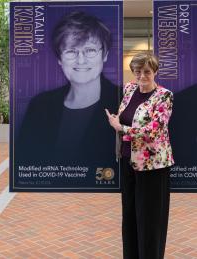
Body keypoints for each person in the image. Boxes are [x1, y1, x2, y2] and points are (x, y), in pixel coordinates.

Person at [16, 11, 119, 168]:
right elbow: (25, 158)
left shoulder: (123, 100)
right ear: (59, 59)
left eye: (90, 50)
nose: (81, 60)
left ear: (105, 54)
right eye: (71, 51)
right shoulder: (40, 105)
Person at [105, 52, 174, 259]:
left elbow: (155, 131)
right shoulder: (129, 89)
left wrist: (122, 128)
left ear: (155, 72)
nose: (142, 76)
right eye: (137, 71)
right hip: (128, 161)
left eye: (146, 72)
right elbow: (128, 116)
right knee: (130, 217)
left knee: (150, 219)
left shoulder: (164, 96)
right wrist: (118, 120)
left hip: (153, 166)